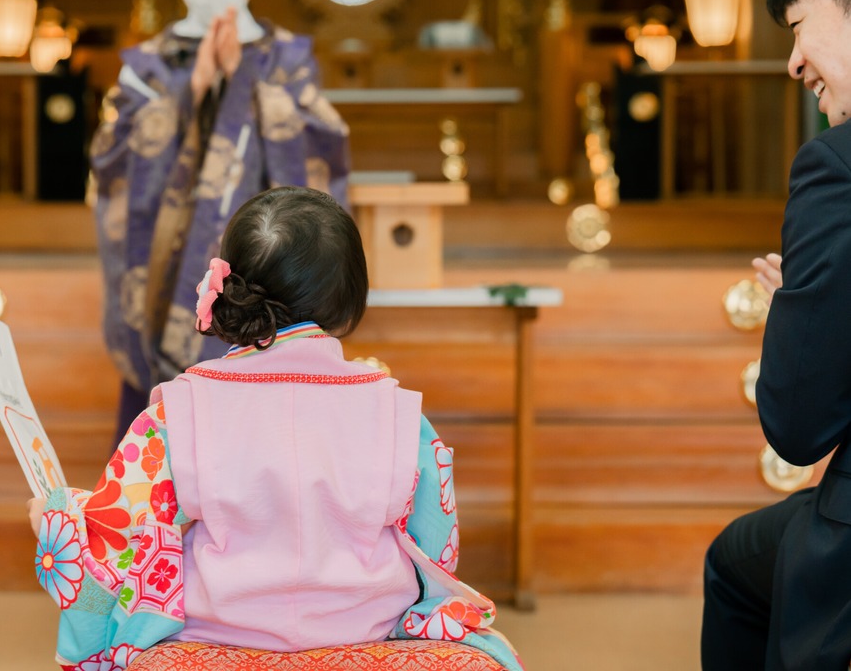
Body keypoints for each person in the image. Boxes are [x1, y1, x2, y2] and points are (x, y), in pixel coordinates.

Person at [29, 186, 523, 670]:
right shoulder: (397, 412)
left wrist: (60, 516)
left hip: (216, 635)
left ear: (231, 288)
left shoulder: (179, 408)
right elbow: (437, 547)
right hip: (365, 629)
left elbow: (117, 536)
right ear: (351, 300)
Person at [90, 0, 350, 447]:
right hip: (165, 279)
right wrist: (194, 88)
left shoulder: (286, 57)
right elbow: (111, 157)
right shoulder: (148, 64)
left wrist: (244, 82)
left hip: (262, 271)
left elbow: (321, 143)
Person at [701, 0, 851, 668]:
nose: (794, 62)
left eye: (798, 27)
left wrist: (802, 306)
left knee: (735, 562)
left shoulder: (837, 166)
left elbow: (798, 425)